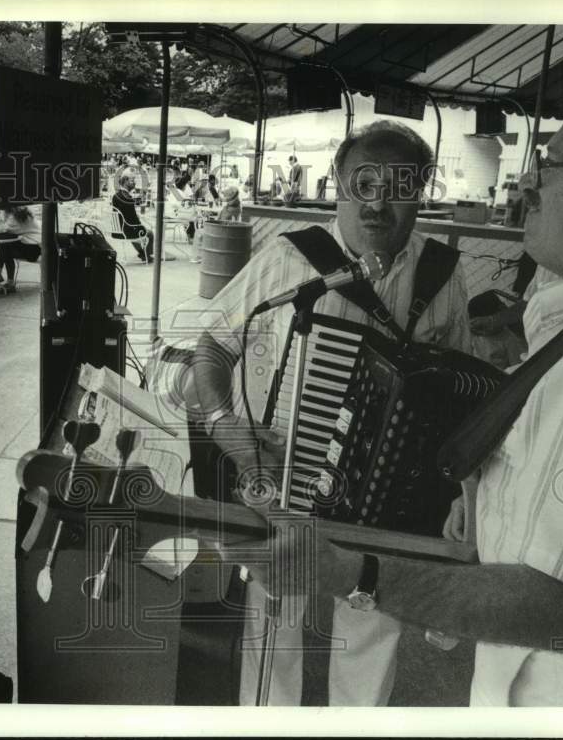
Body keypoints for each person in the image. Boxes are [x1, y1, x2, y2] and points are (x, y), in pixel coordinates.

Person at [258, 81, 563, 707]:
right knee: (273, 632)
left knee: (361, 642)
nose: (528, 184)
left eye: (551, 165)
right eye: (362, 185)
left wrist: (353, 573)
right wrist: (480, 493)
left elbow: (556, 602)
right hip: (547, 673)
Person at [188, 120, 471, 706]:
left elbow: (463, 388)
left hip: (389, 492)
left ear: (422, 194)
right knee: (275, 617)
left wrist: (455, 490)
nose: (377, 203)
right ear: (337, 184)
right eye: (362, 184)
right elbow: (212, 345)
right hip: (285, 471)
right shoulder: (291, 259)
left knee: (373, 626)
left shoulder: (443, 274)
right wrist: (229, 432)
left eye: (399, 188)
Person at [0, 205, 41, 292]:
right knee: (6, 247)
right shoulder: (23, 211)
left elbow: (1, 230)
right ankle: (5, 279)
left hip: (32, 250)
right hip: (35, 247)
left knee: (5, 246)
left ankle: (0, 275)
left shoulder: (15, 217)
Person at [111, 167, 155, 263]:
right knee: (150, 234)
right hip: (127, 231)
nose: (134, 183)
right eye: (132, 181)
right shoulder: (127, 197)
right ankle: (147, 256)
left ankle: (142, 253)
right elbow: (133, 219)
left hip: (117, 230)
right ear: (125, 181)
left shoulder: (116, 196)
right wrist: (142, 226)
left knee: (135, 231)